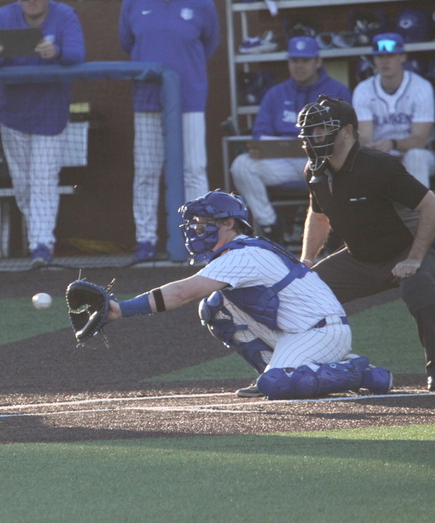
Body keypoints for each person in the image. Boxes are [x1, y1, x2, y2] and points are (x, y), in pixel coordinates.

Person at [104, 190, 392, 400]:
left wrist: (121, 308)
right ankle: (282, 368)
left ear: (228, 223)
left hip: (320, 332)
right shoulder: (237, 251)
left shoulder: (243, 254)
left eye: (204, 222)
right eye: (195, 223)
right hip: (296, 328)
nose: (196, 230)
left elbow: (182, 293)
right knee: (215, 306)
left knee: (277, 386)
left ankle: (359, 372)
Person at [297, 95, 435, 391]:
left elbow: (430, 205)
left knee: (420, 291)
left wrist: (414, 258)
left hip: (407, 249)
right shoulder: (314, 171)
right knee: (301, 295)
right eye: (311, 130)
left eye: (321, 129)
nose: (314, 136)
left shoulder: (378, 165)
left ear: (346, 131)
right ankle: (305, 369)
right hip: (359, 257)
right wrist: (305, 261)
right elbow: (319, 217)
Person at [0, 0, 85, 267]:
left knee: (43, 179)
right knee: (24, 185)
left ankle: (41, 244)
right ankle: (39, 236)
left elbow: (77, 54)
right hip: (13, 113)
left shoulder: (64, 15)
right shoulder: (4, 15)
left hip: (50, 112)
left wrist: (57, 51)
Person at [119, 0, 219, 263]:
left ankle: (199, 238)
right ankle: (146, 240)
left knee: (194, 169)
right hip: (147, 98)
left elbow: (209, 43)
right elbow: (128, 42)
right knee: (146, 171)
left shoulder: (203, 4)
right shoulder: (132, 4)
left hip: (189, 97)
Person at [230, 36, 351, 243]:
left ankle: (335, 230)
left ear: (317, 62)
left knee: (343, 165)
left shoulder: (337, 92)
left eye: (305, 60)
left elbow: (349, 133)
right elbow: (260, 131)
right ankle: (270, 226)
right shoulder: (276, 93)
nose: (299, 66)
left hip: (322, 161)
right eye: (295, 61)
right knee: (242, 165)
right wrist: (259, 147)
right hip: (284, 161)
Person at [352, 33, 435, 188]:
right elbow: (364, 136)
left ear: (402, 57)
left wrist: (393, 144)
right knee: (362, 159)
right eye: (380, 56)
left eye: (390, 55)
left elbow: (420, 140)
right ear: (374, 60)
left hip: (416, 154)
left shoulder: (421, 87)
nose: (385, 61)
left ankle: (420, 212)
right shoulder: (363, 90)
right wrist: (369, 146)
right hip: (379, 154)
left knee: (416, 157)